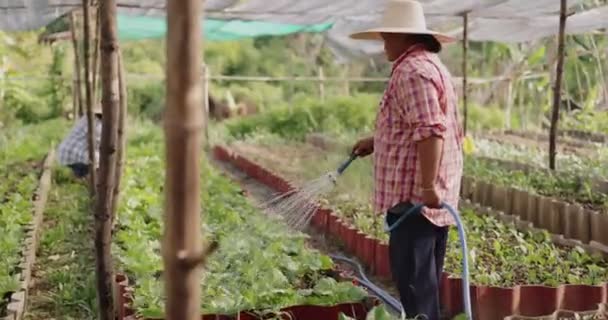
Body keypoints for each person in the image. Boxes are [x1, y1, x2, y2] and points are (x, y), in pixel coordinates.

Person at [349, 1, 464, 319]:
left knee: (415, 284)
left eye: (387, 36)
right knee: (422, 281)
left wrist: (427, 185)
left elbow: (430, 131)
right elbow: (417, 124)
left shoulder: (413, 72)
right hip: (421, 198)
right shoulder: (426, 65)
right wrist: (378, 142)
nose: (384, 42)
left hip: (415, 200)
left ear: (405, 37)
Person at [57, 104, 102, 178]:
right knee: (100, 159)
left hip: (65, 153)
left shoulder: (88, 118)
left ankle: (78, 176)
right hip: (73, 156)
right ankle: (83, 177)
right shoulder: (98, 124)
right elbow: (101, 145)